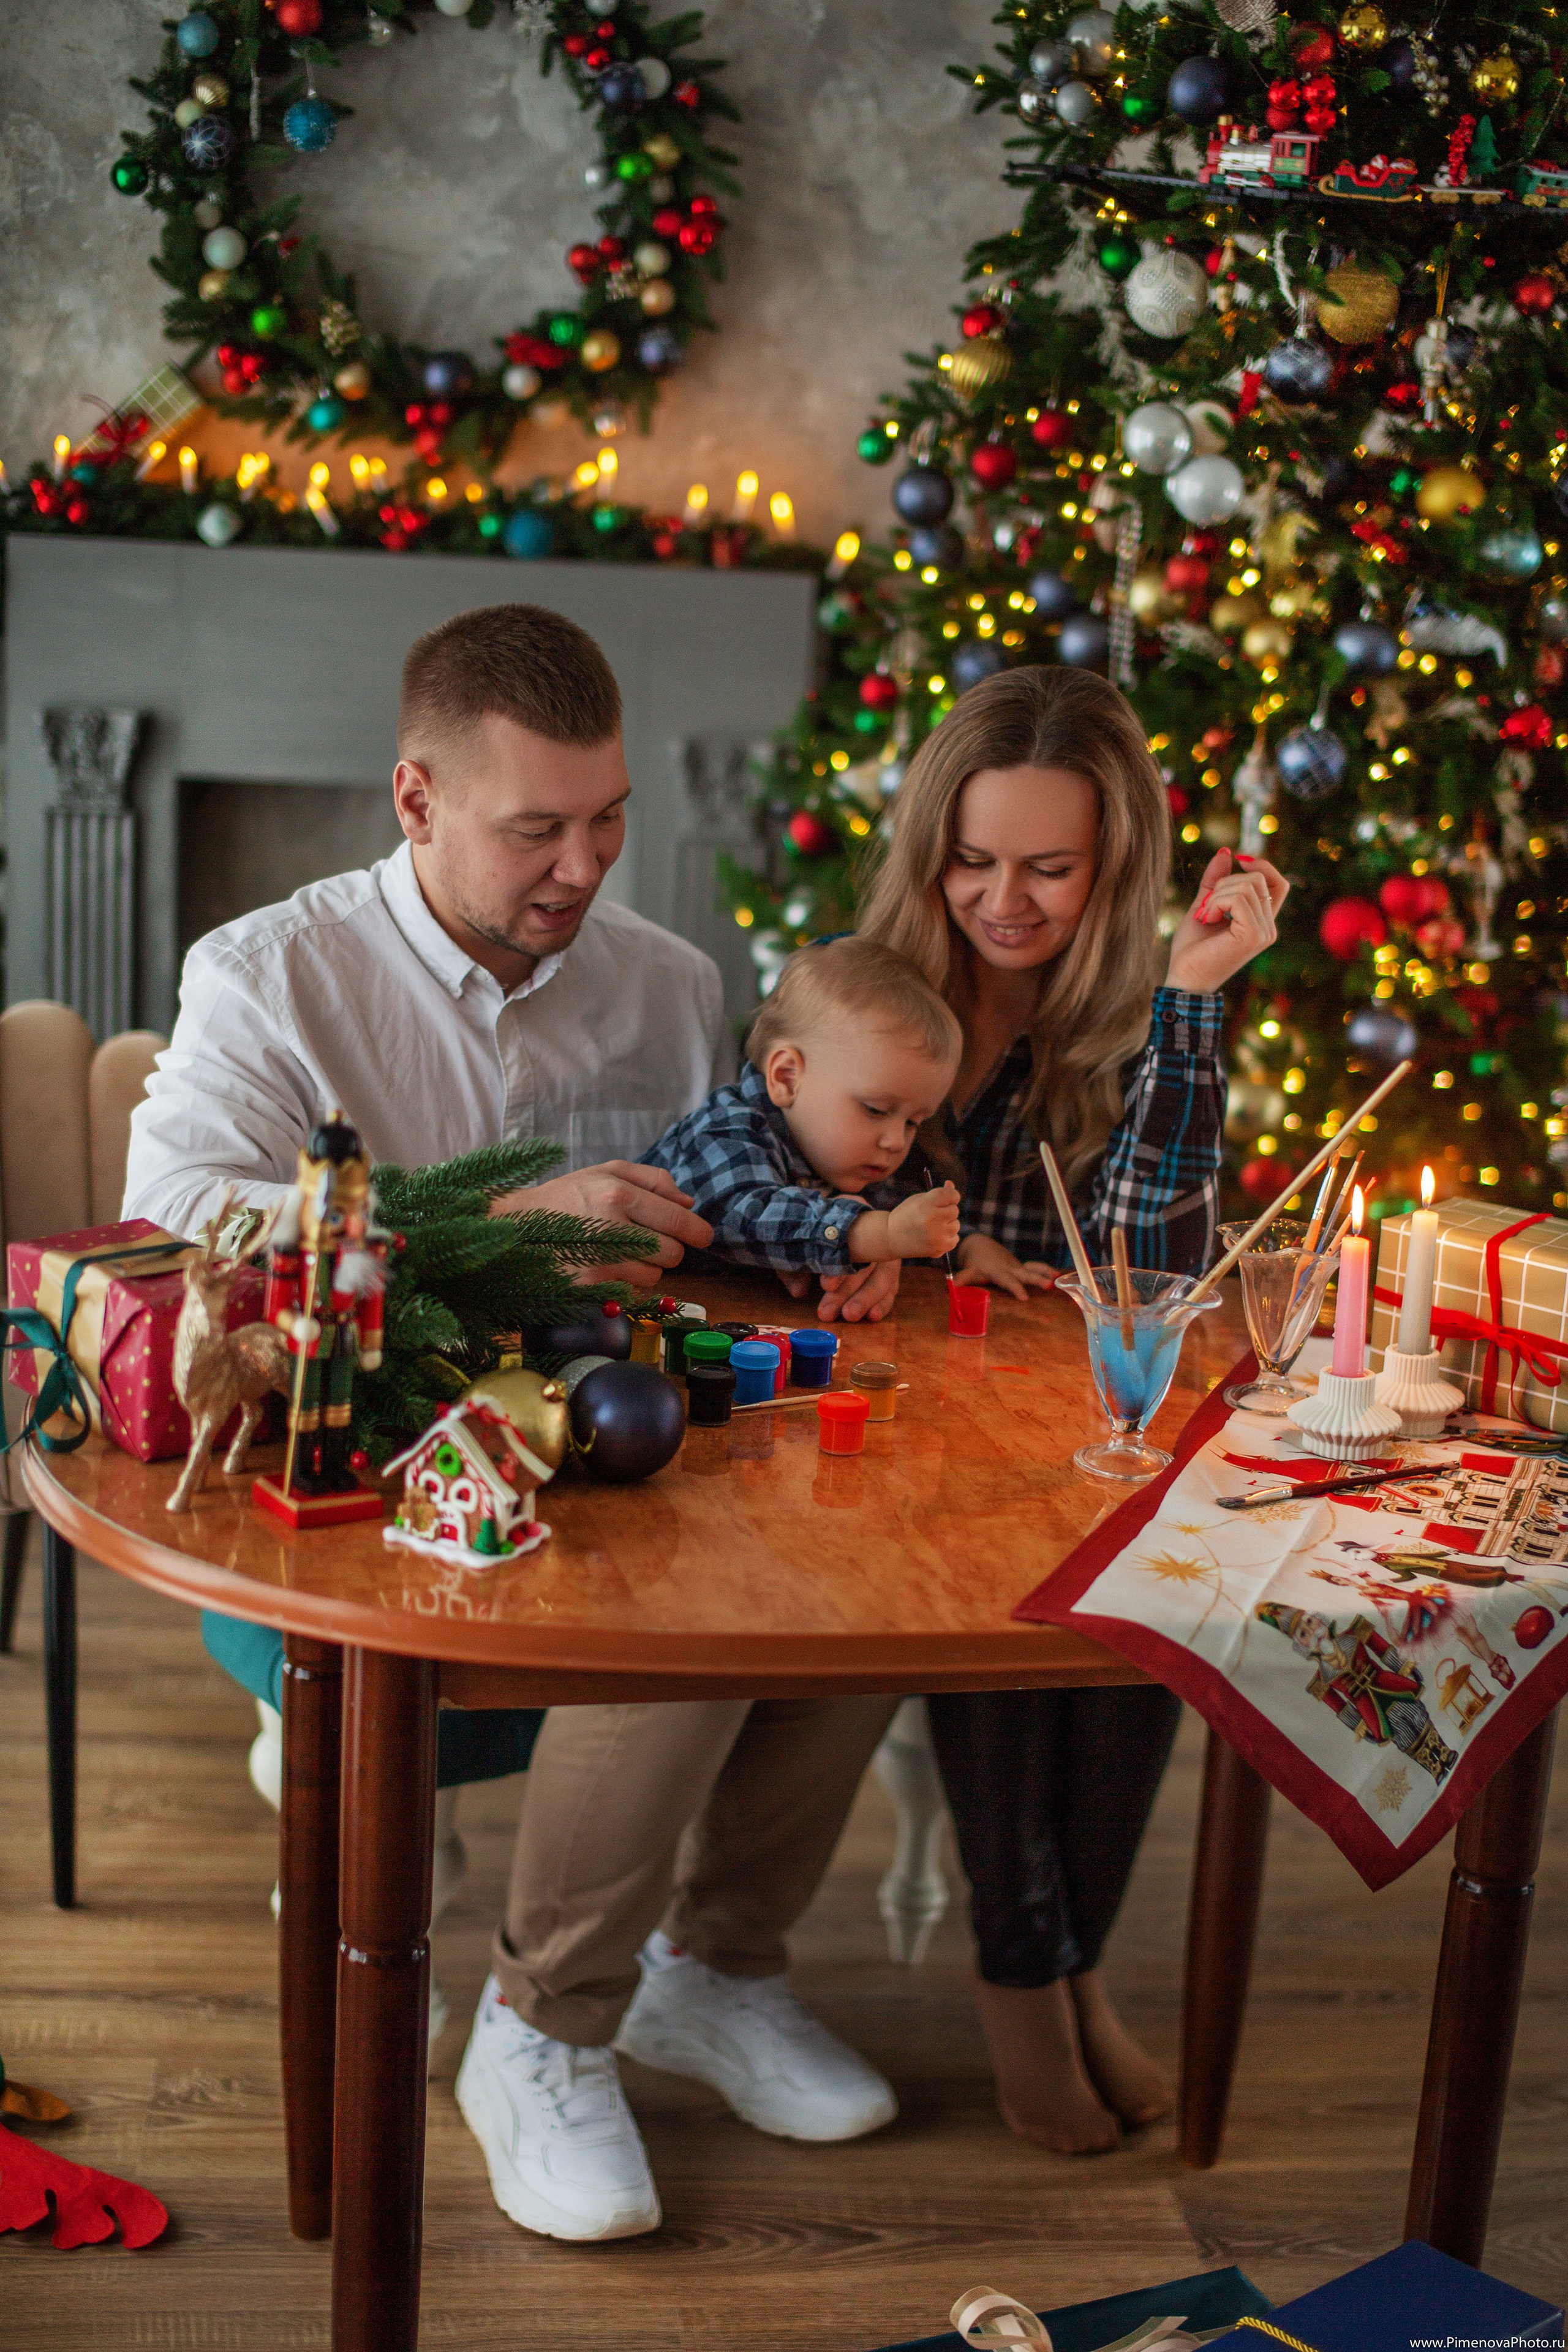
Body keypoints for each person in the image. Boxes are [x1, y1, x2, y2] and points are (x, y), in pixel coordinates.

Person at [124, 602, 902, 2244]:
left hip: (621, 1446)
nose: (583, 863)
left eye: (608, 816)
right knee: (661, 1624)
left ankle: (707, 1970)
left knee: (862, 1574)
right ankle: (519, 2006)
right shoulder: (265, 974)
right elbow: (175, 1217)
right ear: (415, 802)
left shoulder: (674, 984)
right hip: (353, 1470)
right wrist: (513, 1224)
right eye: (534, 828)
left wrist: (818, 1253)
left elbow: (730, 1202)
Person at [857, 663, 1289, 2155]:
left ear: (1111, 864)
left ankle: (1069, 1962)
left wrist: (1182, 1006)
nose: (1002, 901)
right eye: (970, 860)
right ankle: (1021, 1986)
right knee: (1007, 1600)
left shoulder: (1127, 1017)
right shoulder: (866, 995)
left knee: (1144, 1602)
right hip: (903, 1420)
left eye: (1047, 866)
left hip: (1072, 1417)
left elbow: (1145, 1267)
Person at [641, 936, 963, 1280]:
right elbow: (740, 1218)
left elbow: (903, 1219)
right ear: (788, 1078)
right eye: (875, 1110)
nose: (896, 1141)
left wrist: (963, 1246)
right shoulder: (726, 1128)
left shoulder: (844, 1159)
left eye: (914, 1122)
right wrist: (877, 1234)